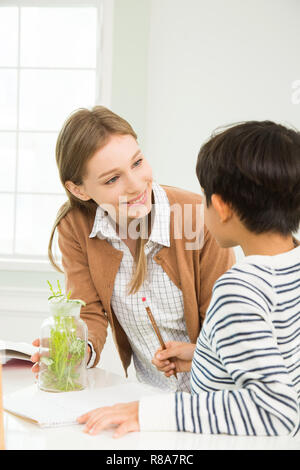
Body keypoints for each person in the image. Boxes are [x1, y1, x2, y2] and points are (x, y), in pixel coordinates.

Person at [77, 120, 300, 437]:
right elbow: (277, 360)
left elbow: (276, 412)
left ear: (220, 207)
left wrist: (150, 412)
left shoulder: (238, 290)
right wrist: (204, 356)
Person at [31, 106, 234, 394]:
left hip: (218, 395)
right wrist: (76, 353)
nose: (136, 185)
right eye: (112, 179)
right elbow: (88, 312)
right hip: (150, 396)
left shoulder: (199, 217)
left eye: (137, 163)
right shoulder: (75, 227)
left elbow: (225, 327)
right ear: (79, 190)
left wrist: (200, 357)